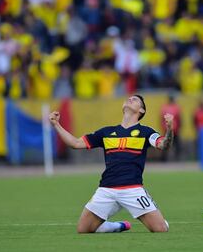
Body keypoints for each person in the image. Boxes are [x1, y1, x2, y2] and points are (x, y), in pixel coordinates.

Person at [49, 95, 173, 233]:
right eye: (129, 98)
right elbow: (75, 143)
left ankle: (159, 220)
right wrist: (56, 125)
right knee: (83, 230)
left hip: (132, 189)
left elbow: (163, 145)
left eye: (135, 99)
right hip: (106, 189)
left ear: (142, 111)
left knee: (161, 229)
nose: (130, 99)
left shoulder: (146, 132)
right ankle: (115, 226)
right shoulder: (106, 132)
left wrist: (169, 130)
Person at [160, 94, 181, 161]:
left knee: (165, 144)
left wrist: (162, 126)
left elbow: (161, 119)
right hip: (174, 129)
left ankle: (164, 159)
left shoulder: (164, 107)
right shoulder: (176, 107)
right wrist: (179, 127)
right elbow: (179, 119)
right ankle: (177, 158)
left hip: (167, 129)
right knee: (176, 145)